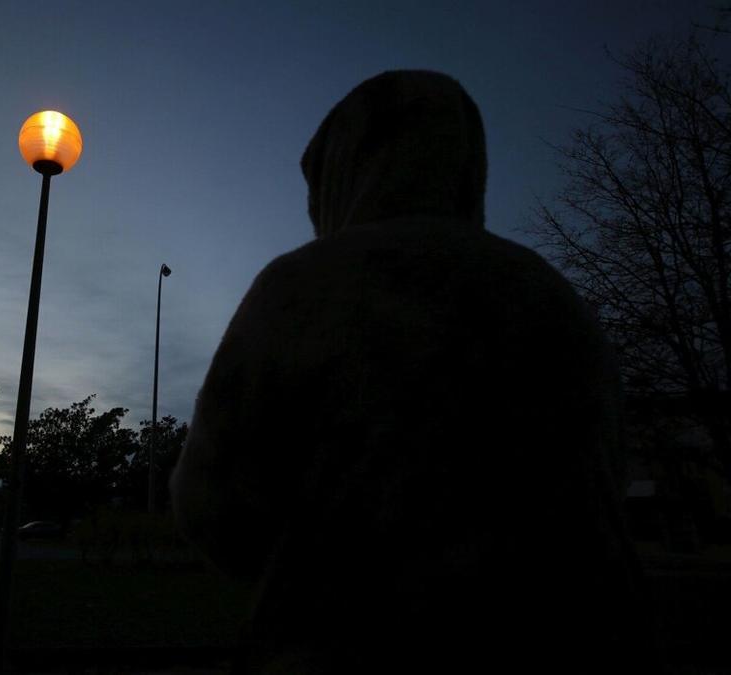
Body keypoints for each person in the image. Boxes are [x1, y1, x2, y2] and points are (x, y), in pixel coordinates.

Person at [170, 71, 653, 673]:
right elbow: (610, 473)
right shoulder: (554, 298)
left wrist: (310, 575)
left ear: (344, 167)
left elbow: (211, 503)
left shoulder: (305, 287)